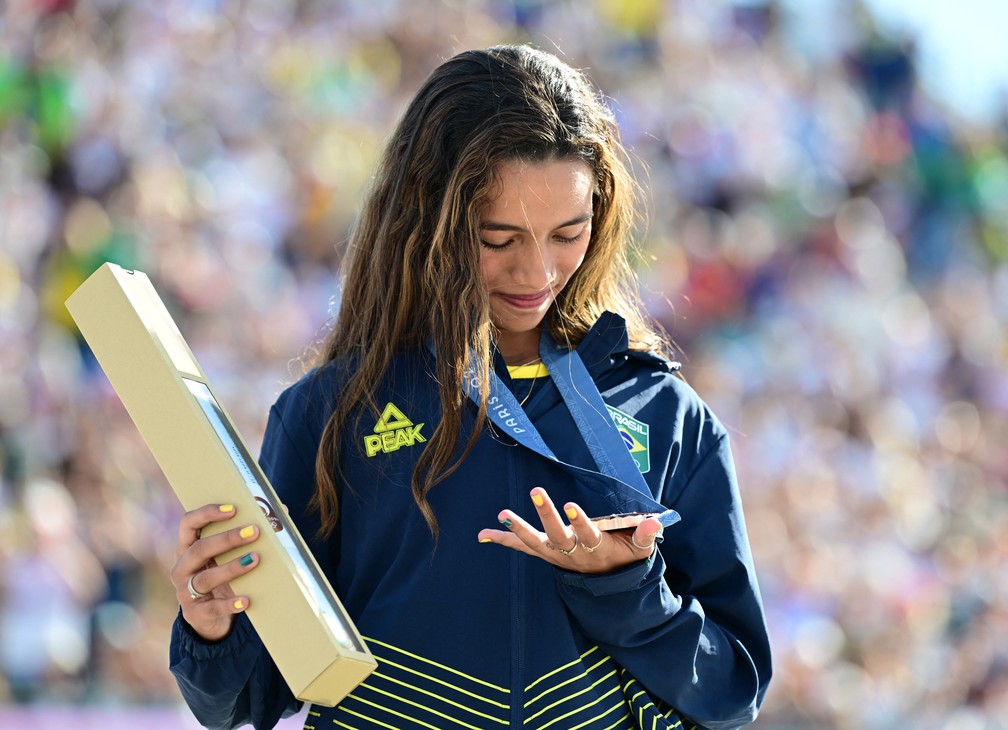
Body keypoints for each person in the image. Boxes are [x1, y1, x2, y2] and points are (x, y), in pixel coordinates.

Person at [168, 45, 772, 730]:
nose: (537, 271)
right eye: (498, 238)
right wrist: (209, 622)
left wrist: (629, 591)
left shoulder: (666, 416)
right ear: (428, 223)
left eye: (567, 233)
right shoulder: (331, 413)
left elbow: (732, 692)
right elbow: (249, 698)